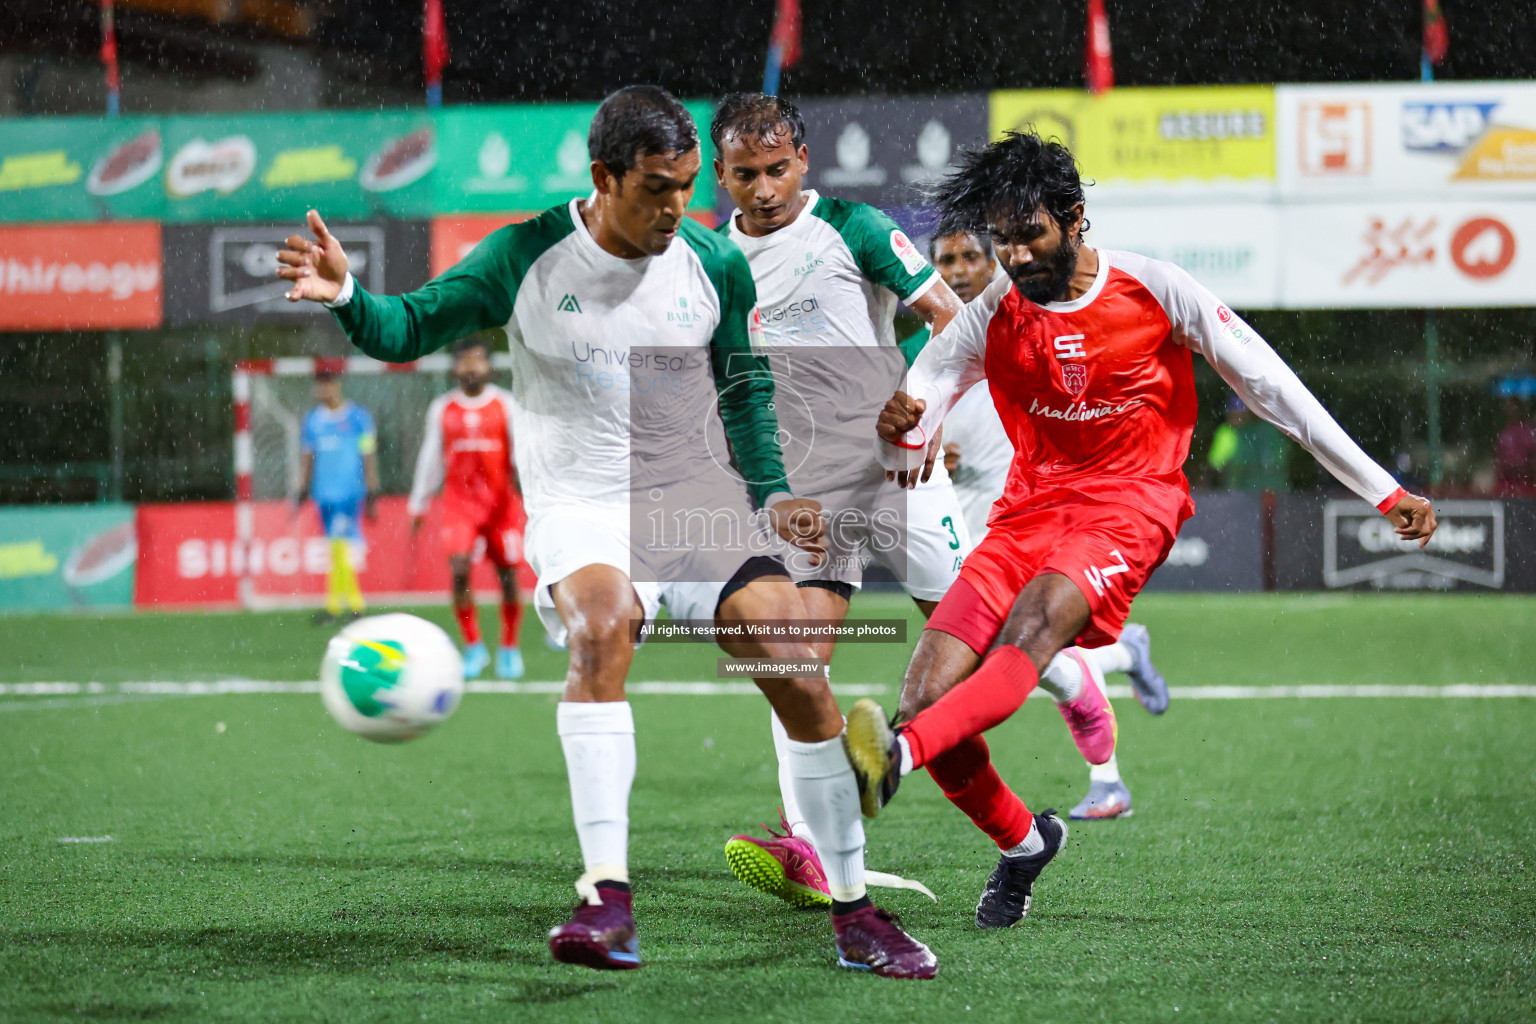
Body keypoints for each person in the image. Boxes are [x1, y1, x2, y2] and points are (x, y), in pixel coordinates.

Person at [277, 85, 936, 979]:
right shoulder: (525, 254)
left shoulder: (713, 260)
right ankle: (607, 898)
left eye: (688, 186)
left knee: (793, 661)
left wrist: (773, 494)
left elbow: (743, 392)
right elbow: (408, 327)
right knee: (601, 629)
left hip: (689, 496)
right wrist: (348, 292)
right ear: (605, 176)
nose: (678, 208)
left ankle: (856, 912)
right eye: (658, 188)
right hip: (582, 501)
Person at [844, 130, 1437, 930]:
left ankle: (899, 757)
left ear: (1075, 218)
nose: (1014, 256)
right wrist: (904, 430)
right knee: (924, 697)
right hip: (1026, 514)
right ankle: (1025, 844)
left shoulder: (1156, 288)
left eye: (1031, 235)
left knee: (1031, 629)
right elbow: (926, 387)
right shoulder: (994, 310)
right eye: (1003, 241)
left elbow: (1271, 386)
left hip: (1129, 506)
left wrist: (1379, 488)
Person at [709, 94, 1141, 904]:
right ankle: (814, 845)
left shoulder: (855, 228)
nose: (763, 188)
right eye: (744, 174)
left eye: (776, 170)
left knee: (989, 646)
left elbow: (947, 316)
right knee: (795, 662)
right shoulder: (713, 261)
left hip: (897, 480)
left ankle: (1079, 686)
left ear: (802, 160)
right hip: (812, 494)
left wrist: (923, 409)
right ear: (721, 174)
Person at [914, 220, 1172, 822]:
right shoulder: (926, 359)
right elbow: (915, 418)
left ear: (995, 260)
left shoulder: (1032, 329)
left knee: (1025, 646)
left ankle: (1107, 780)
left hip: (1038, 524)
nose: (956, 271)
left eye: (969, 257)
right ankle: (1123, 656)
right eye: (944, 260)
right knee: (1004, 660)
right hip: (967, 526)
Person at [407, 336, 526, 680]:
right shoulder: (443, 408)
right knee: (459, 570)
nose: (472, 367)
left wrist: (528, 490)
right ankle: (473, 646)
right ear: (455, 367)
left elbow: (520, 454)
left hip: (500, 506)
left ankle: (509, 647)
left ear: (489, 365)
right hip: (459, 505)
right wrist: (418, 502)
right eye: (465, 360)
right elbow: (430, 457)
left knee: (507, 576)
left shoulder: (505, 405)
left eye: (478, 359)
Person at [293, 368, 377, 626]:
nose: (323, 391)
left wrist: (373, 488)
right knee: (335, 547)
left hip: (349, 491)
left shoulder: (358, 417)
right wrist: (303, 487)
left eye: (327, 385)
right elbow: (308, 456)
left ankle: (345, 605)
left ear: (337, 386)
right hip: (324, 492)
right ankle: (346, 605)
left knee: (339, 545)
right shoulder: (312, 421)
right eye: (319, 386)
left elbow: (368, 454)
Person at [1208, 394, 1291, 491]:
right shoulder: (1226, 432)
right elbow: (1216, 463)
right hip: (1237, 487)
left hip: (1267, 487)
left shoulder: (1263, 430)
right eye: (1235, 415)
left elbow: (1278, 460)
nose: (1238, 419)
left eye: (1241, 415)